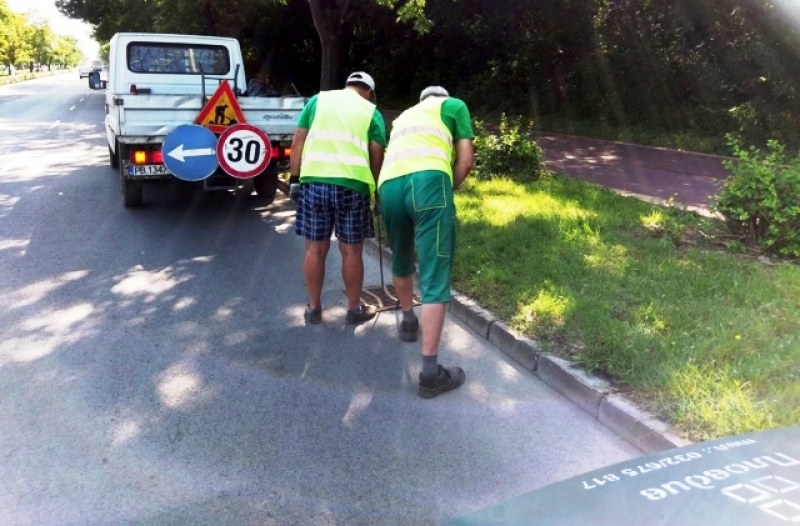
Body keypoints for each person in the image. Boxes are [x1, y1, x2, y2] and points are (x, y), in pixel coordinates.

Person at [377, 86, 475, 398]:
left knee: (401, 257)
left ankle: (408, 321)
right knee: (434, 273)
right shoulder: (454, 106)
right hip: (429, 182)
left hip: (389, 185)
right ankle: (431, 374)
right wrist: (448, 189)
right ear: (442, 96)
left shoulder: (404, 116)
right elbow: (466, 160)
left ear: (421, 100)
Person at [289, 71, 387, 325]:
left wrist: (294, 179)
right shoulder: (370, 111)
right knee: (351, 252)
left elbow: (298, 141)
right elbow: (377, 155)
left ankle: (314, 309)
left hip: (314, 183)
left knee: (314, 248)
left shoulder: (317, 101)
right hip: (352, 187)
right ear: (369, 92)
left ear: (346, 86)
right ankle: (354, 310)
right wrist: (376, 190)